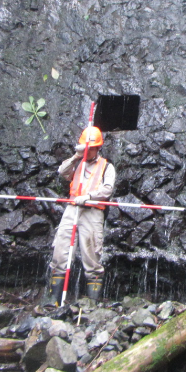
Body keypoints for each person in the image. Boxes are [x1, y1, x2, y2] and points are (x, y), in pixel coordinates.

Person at [49, 126, 116, 304]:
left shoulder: (107, 167)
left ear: (98, 148)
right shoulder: (78, 162)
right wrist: (76, 156)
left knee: (91, 253)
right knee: (61, 250)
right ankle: (54, 300)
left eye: (90, 148)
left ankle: (91, 304)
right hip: (72, 209)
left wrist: (88, 197)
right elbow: (62, 172)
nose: (87, 151)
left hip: (92, 211)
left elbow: (107, 189)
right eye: (85, 148)